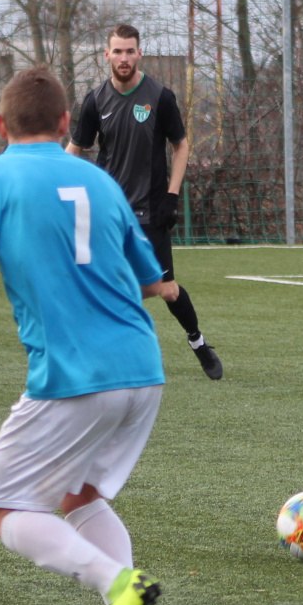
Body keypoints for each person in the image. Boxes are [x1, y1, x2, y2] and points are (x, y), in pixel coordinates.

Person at [0, 66, 165, 605]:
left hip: (74, 376)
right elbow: (150, 280)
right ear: (67, 123)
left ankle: (118, 585)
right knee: (78, 495)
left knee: (1, 510)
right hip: (143, 368)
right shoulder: (101, 181)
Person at [66, 23, 222, 380]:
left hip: (150, 211)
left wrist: (172, 195)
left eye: (129, 51)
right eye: (117, 51)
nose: (123, 58)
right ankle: (105, 355)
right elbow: (75, 148)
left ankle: (197, 341)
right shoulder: (95, 100)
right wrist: (49, 184)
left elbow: (180, 146)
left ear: (139, 53)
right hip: (108, 213)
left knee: (166, 290)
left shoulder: (160, 97)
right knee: (101, 285)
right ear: (106, 55)